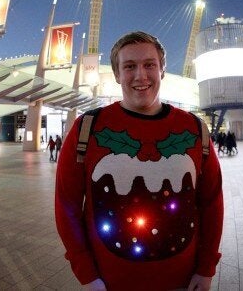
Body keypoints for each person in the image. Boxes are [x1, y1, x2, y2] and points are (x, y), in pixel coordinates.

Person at [55, 31, 223, 291]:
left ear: (162, 70)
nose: (140, 76)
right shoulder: (87, 128)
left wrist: (206, 268)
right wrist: (86, 274)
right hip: (110, 283)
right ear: (117, 74)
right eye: (129, 66)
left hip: (184, 281)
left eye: (149, 65)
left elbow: (211, 202)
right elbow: (67, 205)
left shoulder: (194, 129)